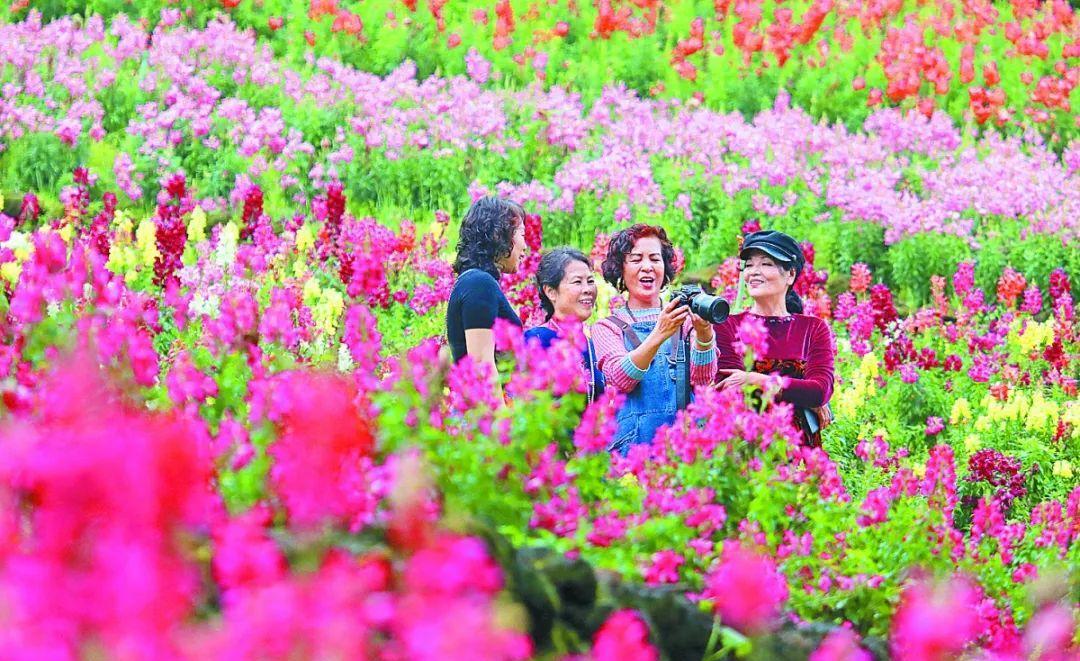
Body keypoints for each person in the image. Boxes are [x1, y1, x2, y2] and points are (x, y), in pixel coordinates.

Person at [592, 224, 718, 454]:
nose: (647, 267)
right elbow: (620, 379)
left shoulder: (685, 317)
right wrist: (660, 333)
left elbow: (702, 380)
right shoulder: (607, 327)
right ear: (621, 268)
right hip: (635, 450)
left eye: (655, 259)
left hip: (687, 448)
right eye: (636, 259)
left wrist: (704, 334)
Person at [714, 229, 835, 446]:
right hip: (747, 449)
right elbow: (729, 390)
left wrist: (754, 378)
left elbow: (819, 390)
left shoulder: (813, 328)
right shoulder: (728, 326)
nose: (753, 272)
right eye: (749, 265)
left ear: (790, 274)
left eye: (766, 264)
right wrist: (798, 393)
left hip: (802, 455)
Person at [446, 197, 527, 381]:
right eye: (522, 235)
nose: (525, 246)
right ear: (500, 235)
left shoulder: (476, 282)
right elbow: (482, 365)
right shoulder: (479, 284)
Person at [525, 248, 605, 404]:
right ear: (551, 292)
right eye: (577, 282)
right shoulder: (536, 340)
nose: (587, 289)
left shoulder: (593, 341)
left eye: (590, 281)